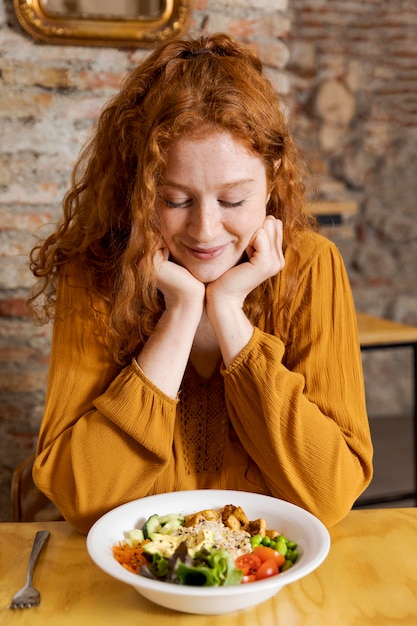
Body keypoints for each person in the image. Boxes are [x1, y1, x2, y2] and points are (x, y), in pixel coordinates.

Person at [28, 33, 373, 535]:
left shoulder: (314, 267)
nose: (205, 230)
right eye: (173, 200)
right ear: (139, 186)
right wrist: (182, 312)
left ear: (274, 176)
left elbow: (331, 491)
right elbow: (80, 499)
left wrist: (229, 312)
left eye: (233, 201)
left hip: (270, 576)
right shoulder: (92, 275)